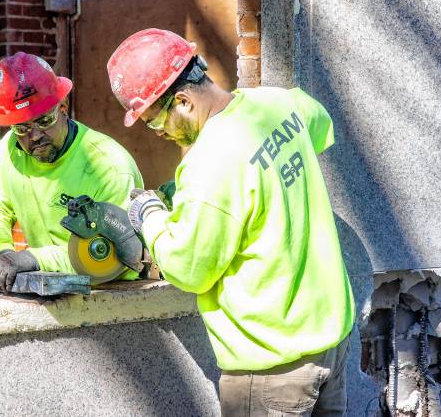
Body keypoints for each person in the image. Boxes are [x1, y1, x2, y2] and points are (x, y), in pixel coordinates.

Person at [109, 28, 355, 415]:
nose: (159, 135)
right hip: (331, 339)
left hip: (273, 366)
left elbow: (190, 269)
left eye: (156, 123)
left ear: (183, 102)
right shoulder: (276, 102)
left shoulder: (209, 164)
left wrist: (149, 215)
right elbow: (320, 126)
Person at [0, 51, 143, 293]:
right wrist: (2, 252)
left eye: (44, 121)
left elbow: (112, 253)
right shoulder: (9, 150)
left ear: (63, 107)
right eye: (22, 127)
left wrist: (33, 259)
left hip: (111, 295)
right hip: (51, 291)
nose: (35, 135)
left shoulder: (109, 167)